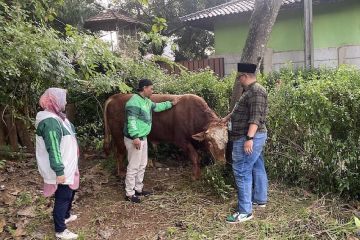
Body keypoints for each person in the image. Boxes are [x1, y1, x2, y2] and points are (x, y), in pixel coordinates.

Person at [222, 63, 269, 223]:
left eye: (239, 77)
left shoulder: (256, 91)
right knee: (257, 165)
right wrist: (228, 118)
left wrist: (249, 139)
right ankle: (260, 199)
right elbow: (241, 109)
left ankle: (245, 212)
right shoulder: (250, 91)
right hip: (252, 137)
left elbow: (255, 117)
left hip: (248, 137)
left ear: (246, 76)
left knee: (242, 171)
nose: (238, 80)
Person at [123, 79, 179, 203]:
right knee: (133, 166)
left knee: (142, 165)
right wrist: (135, 137)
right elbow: (131, 121)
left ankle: (138, 189)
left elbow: (157, 107)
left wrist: (171, 103)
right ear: (144, 88)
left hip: (143, 138)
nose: (152, 91)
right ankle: (129, 194)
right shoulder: (133, 102)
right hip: (135, 139)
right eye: (151, 88)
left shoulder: (146, 101)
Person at [35, 88, 79, 239]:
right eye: (63, 99)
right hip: (61, 166)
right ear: (54, 101)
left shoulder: (58, 117)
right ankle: (60, 230)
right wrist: (59, 170)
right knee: (63, 195)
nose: (65, 102)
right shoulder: (50, 121)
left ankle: (65, 215)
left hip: (68, 163)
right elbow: (53, 148)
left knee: (71, 191)